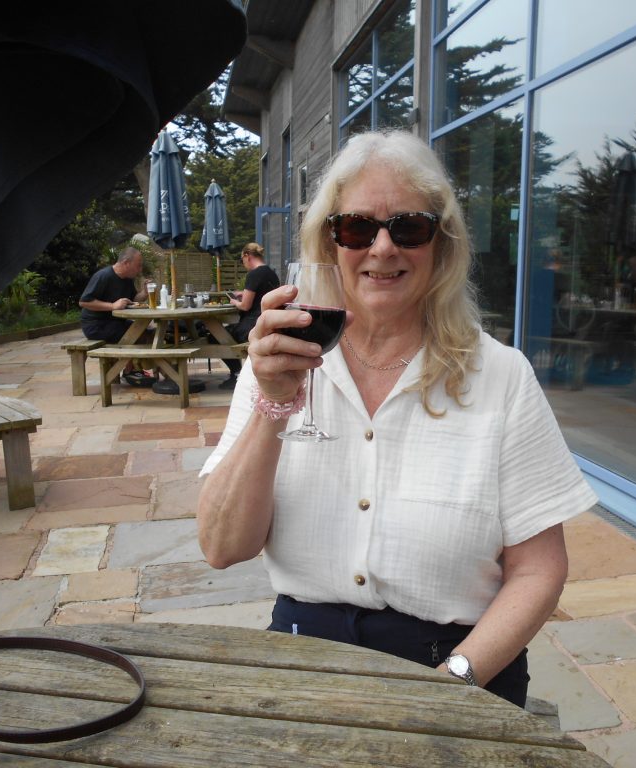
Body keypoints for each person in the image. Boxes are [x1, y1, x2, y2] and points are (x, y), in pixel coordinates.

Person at [196, 131, 597, 708]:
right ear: (329, 242)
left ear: (441, 244)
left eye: (409, 227)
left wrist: (453, 682)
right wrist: (272, 407)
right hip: (303, 660)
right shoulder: (278, 364)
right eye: (357, 227)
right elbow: (221, 547)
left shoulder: (501, 376)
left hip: (459, 668)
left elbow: (539, 571)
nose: (382, 248)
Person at [79, 246, 152, 385]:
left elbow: (132, 300)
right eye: (138, 266)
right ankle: (130, 371)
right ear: (126, 263)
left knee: (147, 332)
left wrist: (144, 293)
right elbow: (84, 301)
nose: (140, 270)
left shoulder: (127, 279)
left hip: (115, 323)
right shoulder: (103, 276)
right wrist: (112, 306)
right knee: (136, 333)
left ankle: (132, 370)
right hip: (96, 325)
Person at [219, 242, 280, 389]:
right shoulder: (271, 273)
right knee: (225, 332)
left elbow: (245, 305)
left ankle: (236, 374)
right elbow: (261, 294)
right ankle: (239, 373)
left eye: (242, 260)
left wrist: (235, 302)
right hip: (268, 323)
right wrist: (243, 293)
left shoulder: (253, 274)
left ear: (247, 256)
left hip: (252, 327)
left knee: (218, 336)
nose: (243, 263)